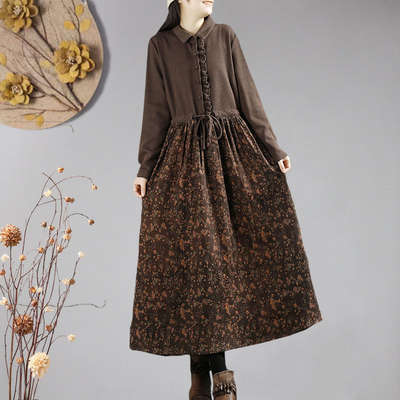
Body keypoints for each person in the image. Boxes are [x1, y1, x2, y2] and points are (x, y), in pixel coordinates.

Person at [130, 1, 323, 399]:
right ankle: (218, 376)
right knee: (199, 269)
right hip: (184, 165)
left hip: (232, 157)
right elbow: (155, 110)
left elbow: (248, 97)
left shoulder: (225, 36)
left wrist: (272, 148)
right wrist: (146, 168)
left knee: (217, 271)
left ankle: (201, 378)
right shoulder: (159, 46)